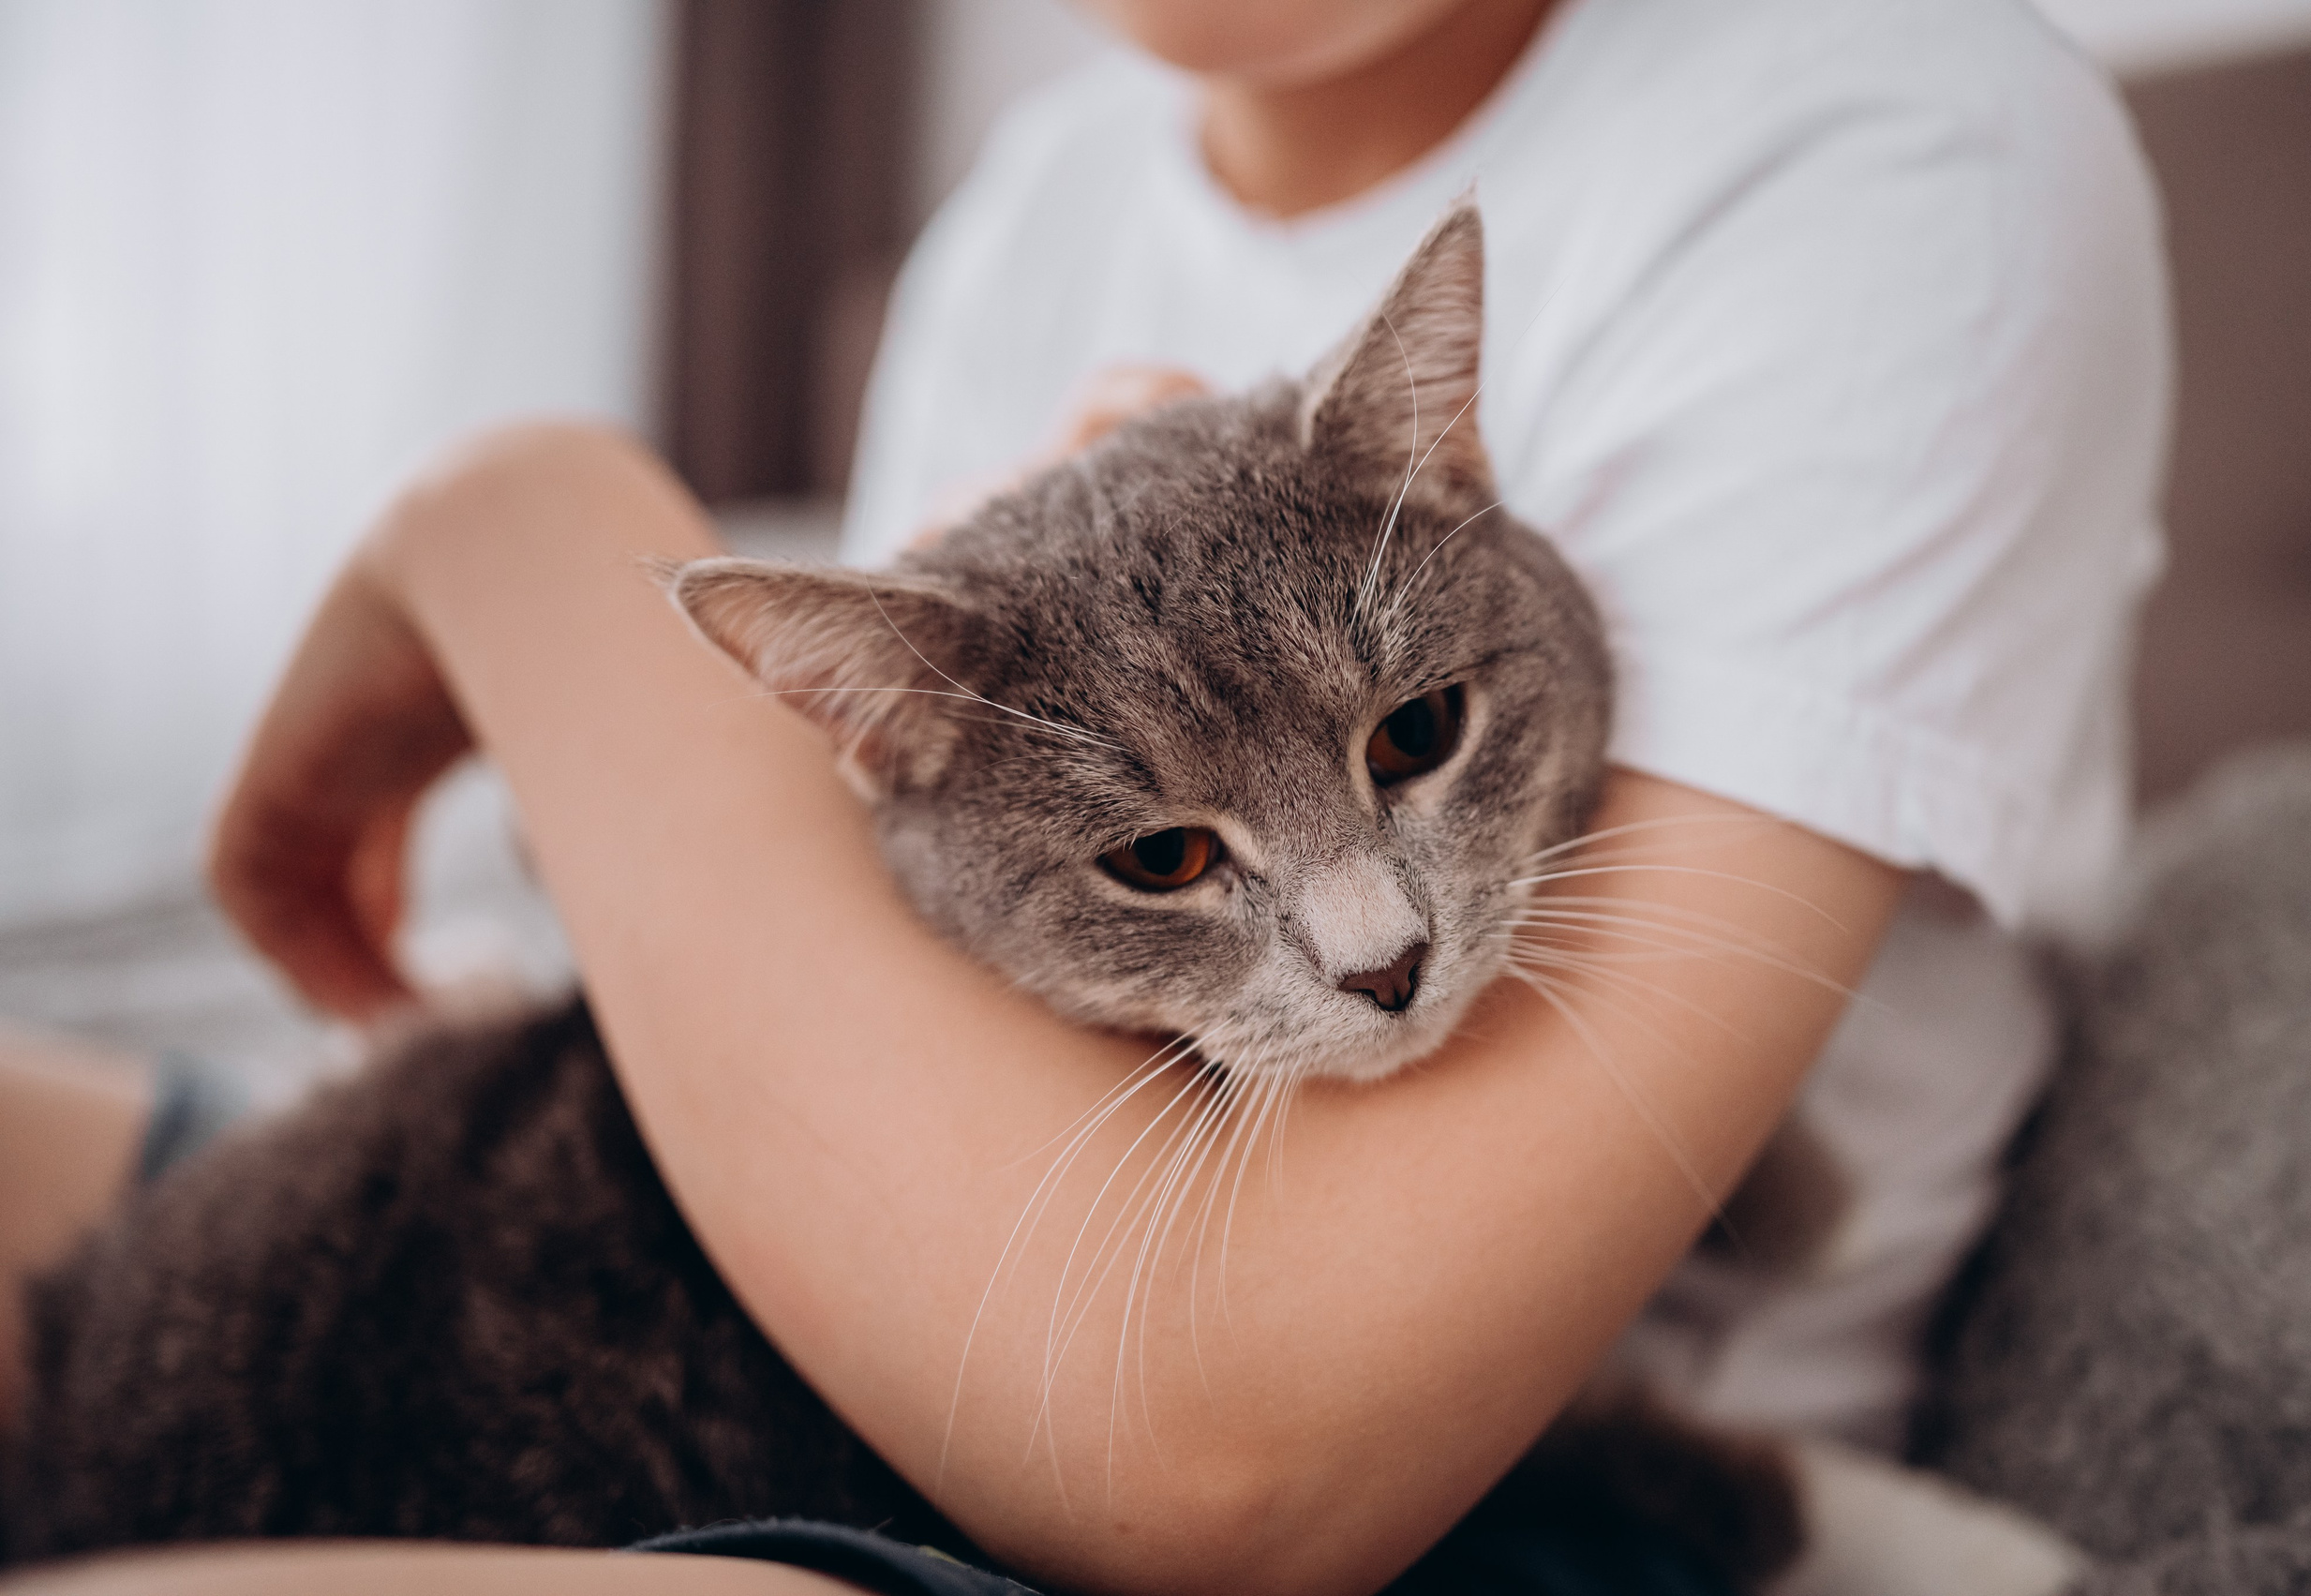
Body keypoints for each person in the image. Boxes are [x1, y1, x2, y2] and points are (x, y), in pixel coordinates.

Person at [0, 0, 2166, 1591]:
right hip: (730, 1270)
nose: (1376, 946)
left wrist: (514, 532)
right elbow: (887, 918)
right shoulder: (1032, 208)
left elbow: (1232, 1465)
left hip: (1216, 1482)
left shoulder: (1884, 139)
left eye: (1409, 743)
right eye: (1173, 854)